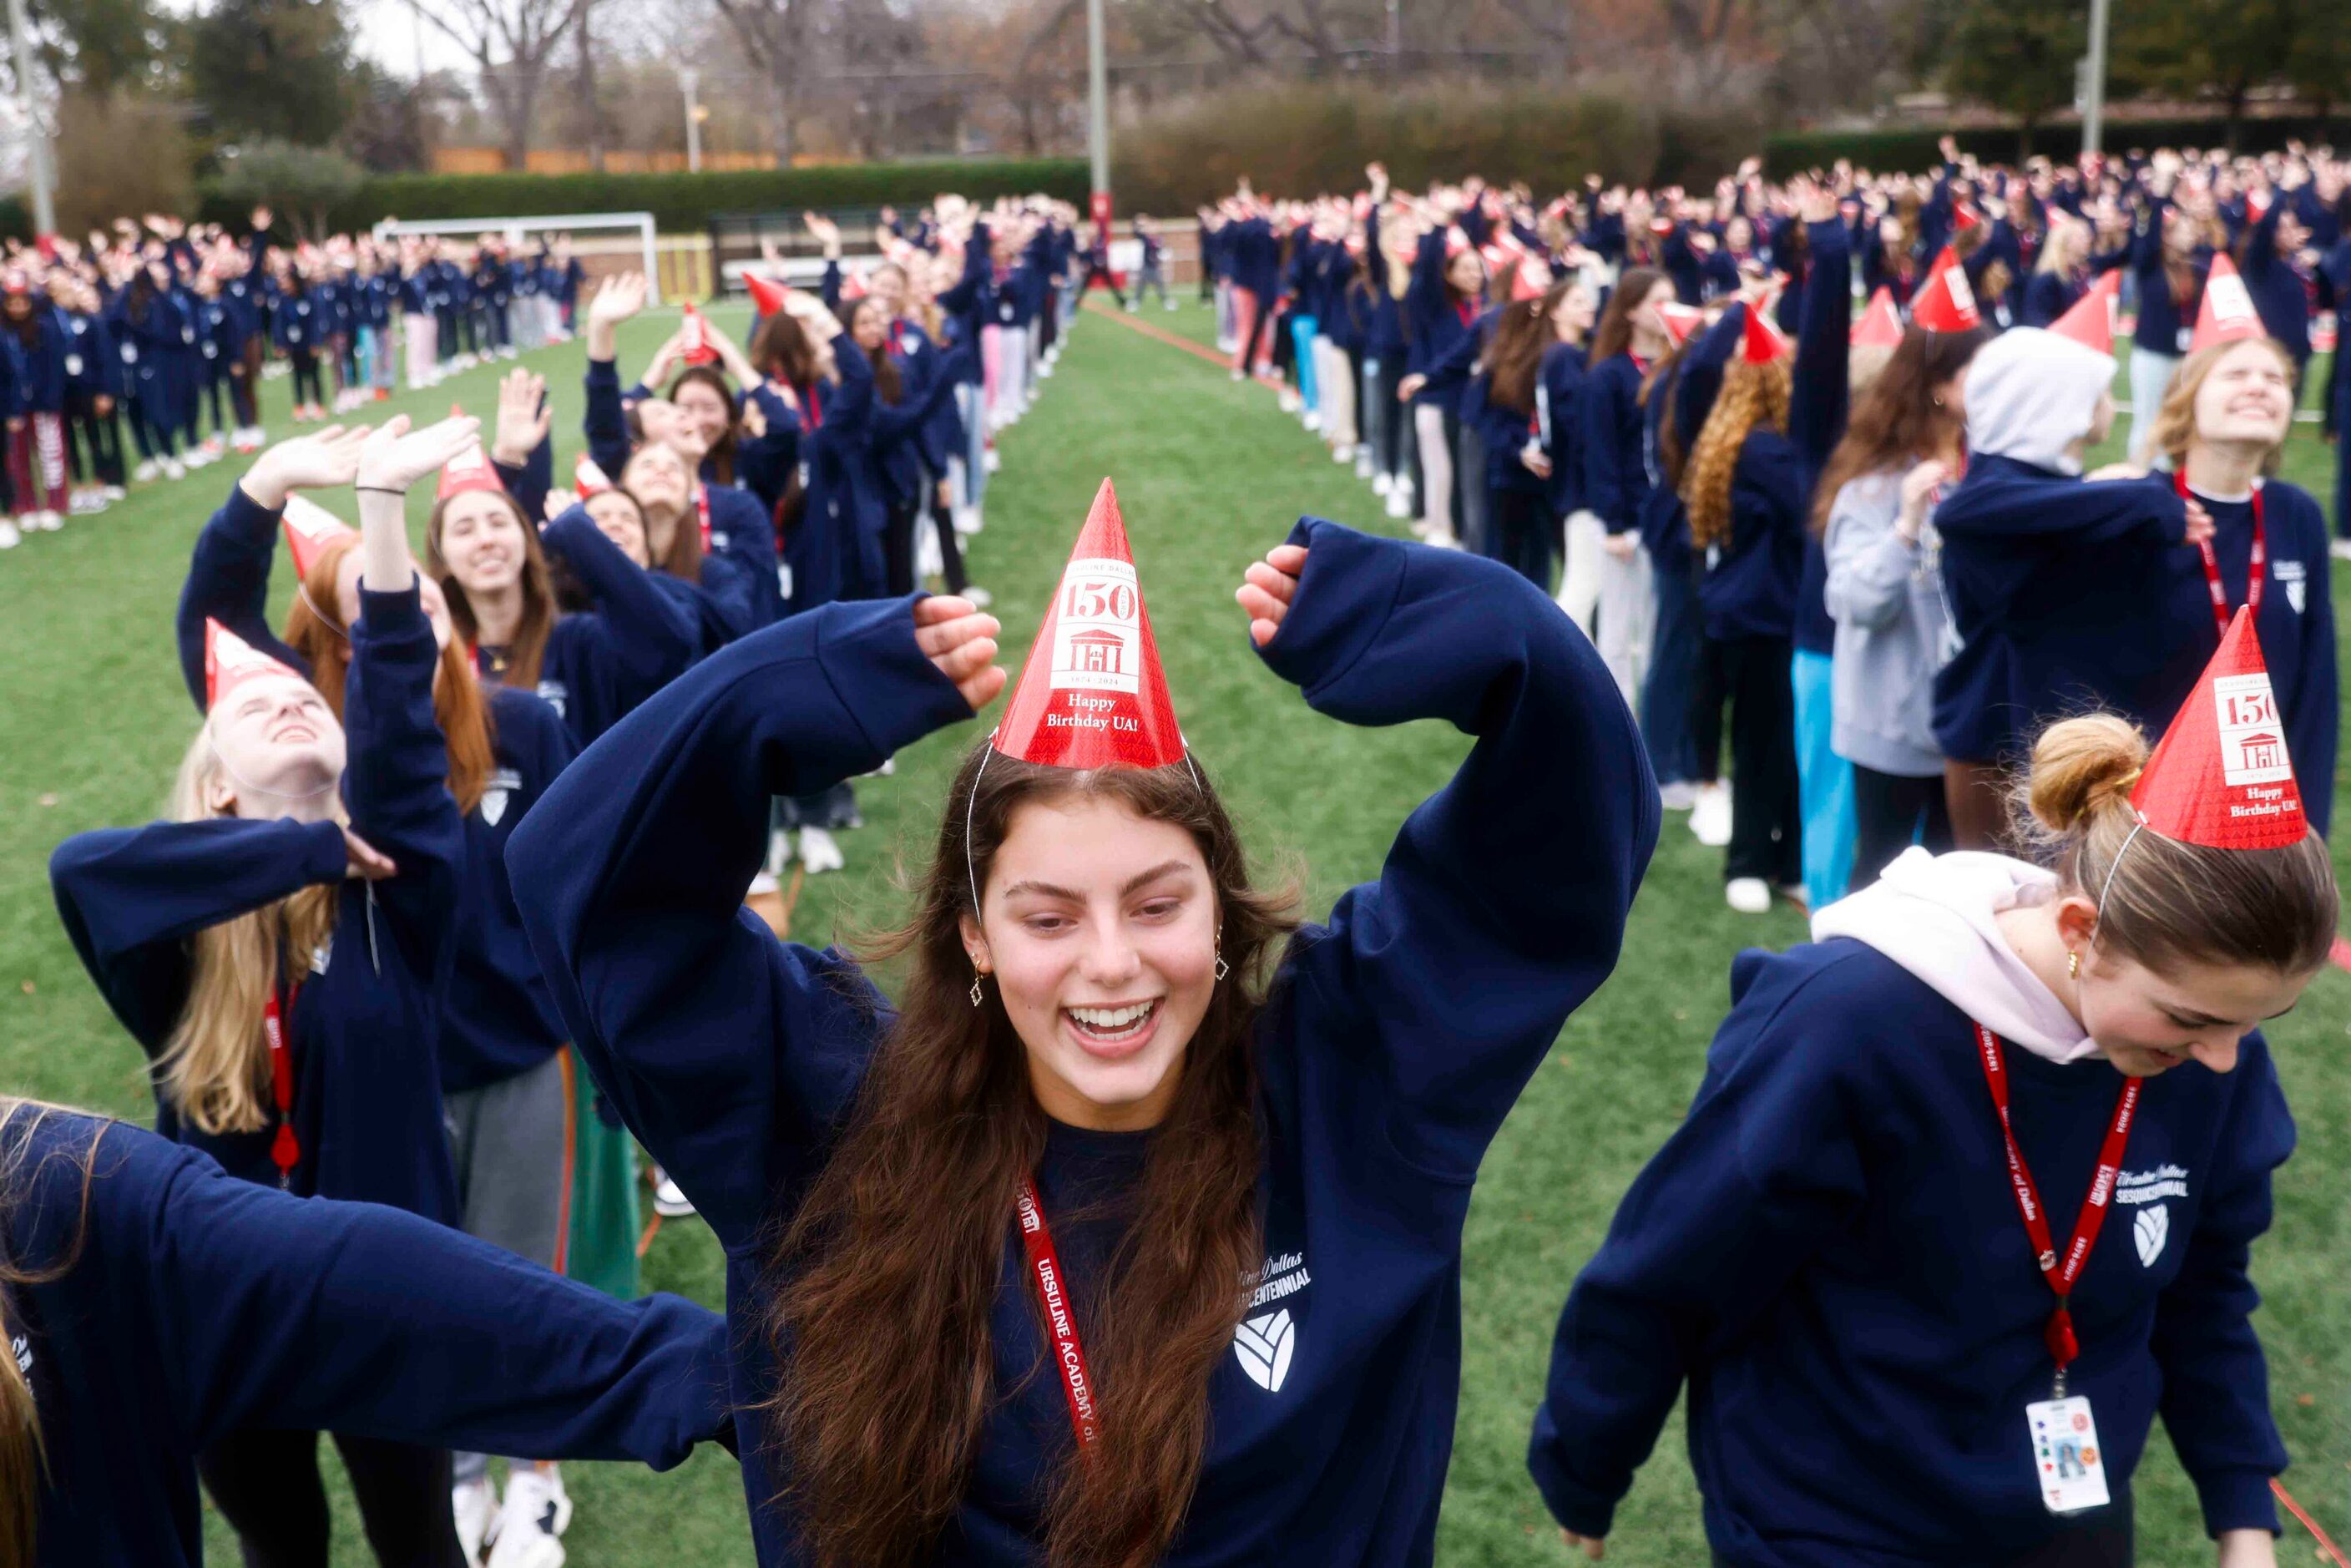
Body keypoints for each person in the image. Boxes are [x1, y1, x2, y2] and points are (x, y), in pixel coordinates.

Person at [508, 479, 1656, 1565]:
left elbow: (1567, 827)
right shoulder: (832, 1117)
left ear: (1220, 908)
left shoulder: (1350, 1086)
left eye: (1157, 903)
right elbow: (586, 887)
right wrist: (798, 682)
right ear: (975, 935)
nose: (1112, 963)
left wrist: (1438, 618)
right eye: (1047, 917)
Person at [1531, 618, 2332, 1568]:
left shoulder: (2203, 1044)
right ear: (2080, 927)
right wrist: (1587, 1461)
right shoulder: (1848, 1022)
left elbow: (2203, 1285)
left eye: (2257, 1026)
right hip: (1831, 1515)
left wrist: (2241, 1513)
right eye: (2189, 1020)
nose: (2225, 1062)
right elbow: (1668, 1267)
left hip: (2063, 1515)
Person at [51, 412, 490, 1565]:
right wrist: (265, 484)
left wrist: (387, 515)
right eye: (257, 706)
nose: (296, 697)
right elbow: (83, 871)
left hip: (387, 1295)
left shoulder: (399, 891)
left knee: (417, 1544)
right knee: (277, 1542)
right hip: (217, 1301)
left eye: (309, 698)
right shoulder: (184, 942)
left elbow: (397, 702)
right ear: (220, 791)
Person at [0, 1100, 732, 1566]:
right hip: (220, 1359)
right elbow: (89, 881)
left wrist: (695, 1372)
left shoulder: (45, 1185)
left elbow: (349, 1274)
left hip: (264, 1299)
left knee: (413, 1533)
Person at [1818, 325, 1986, 888]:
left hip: (1973, 723)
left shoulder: (1991, 475)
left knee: (1959, 876)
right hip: (1893, 723)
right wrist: (1906, 527)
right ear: (1940, 387)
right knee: (1880, 873)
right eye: (1976, 370)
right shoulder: (1875, 488)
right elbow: (1851, 601)